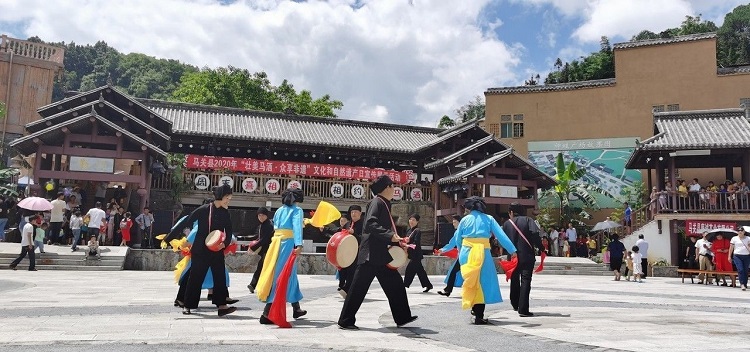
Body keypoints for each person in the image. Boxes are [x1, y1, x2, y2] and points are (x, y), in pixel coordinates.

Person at [338, 175, 417, 330]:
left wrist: (396, 240)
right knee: (357, 290)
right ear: (386, 188)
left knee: (396, 285)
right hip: (370, 255)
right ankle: (345, 320)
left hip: (379, 255)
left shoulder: (384, 203)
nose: (394, 189)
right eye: (392, 186)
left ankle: (402, 317)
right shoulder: (377, 202)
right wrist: (389, 235)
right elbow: (370, 224)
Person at [168, 185, 235, 316]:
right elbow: (187, 221)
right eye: (227, 198)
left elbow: (229, 230)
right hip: (201, 250)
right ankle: (187, 305)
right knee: (195, 278)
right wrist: (169, 237)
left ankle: (222, 306)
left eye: (230, 198)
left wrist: (225, 243)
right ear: (221, 196)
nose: (228, 201)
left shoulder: (225, 212)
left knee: (220, 276)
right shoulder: (203, 210)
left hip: (216, 249)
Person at [256, 188, 307, 324]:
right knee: (283, 275)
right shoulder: (297, 210)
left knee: (289, 273)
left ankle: (296, 308)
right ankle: (267, 312)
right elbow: (296, 227)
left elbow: (278, 227)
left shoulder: (279, 210)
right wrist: (299, 244)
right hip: (288, 243)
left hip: (276, 243)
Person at [502, 202, 540, 318]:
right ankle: (523, 309)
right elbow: (535, 234)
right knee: (526, 280)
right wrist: (541, 248)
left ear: (511, 212)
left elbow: (502, 240)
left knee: (514, 279)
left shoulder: (507, 224)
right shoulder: (529, 220)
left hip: (512, 256)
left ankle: (515, 304)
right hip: (527, 255)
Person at [338, 205, 363, 297]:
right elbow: (338, 232)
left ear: (360, 213)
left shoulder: (364, 225)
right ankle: (344, 286)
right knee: (344, 269)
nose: (354, 214)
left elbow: (363, 238)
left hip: (358, 252)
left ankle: (347, 289)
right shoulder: (347, 224)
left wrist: (354, 233)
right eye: (352, 212)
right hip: (347, 251)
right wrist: (324, 230)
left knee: (352, 271)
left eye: (356, 212)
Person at [403, 214, 432, 292]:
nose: (411, 221)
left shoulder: (417, 231)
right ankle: (428, 285)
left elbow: (416, 243)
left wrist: (408, 245)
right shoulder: (409, 230)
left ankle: (404, 285)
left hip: (416, 255)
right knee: (420, 271)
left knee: (409, 269)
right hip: (411, 254)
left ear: (417, 222)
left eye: (413, 220)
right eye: (410, 219)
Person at [247, 207, 274, 294]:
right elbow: (259, 238)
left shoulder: (268, 225)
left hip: (269, 250)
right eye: (259, 215)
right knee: (261, 267)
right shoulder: (263, 224)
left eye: (262, 215)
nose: (261, 217)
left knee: (263, 268)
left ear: (266, 215)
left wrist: (253, 247)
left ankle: (256, 285)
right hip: (265, 250)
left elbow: (264, 239)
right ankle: (253, 285)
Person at [437, 215, 463, 297]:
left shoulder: (464, 232)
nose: (453, 224)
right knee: (454, 272)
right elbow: (451, 243)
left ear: (460, 223)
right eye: (453, 222)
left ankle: (448, 290)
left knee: (455, 272)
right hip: (462, 256)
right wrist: (443, 249)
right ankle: (448, 290)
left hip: (465, 255)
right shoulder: (457, 232)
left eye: (455, 222)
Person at [729, 226, 750, 291]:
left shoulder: (748, 238)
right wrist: (729, 256)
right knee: (740, 269)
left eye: (741, 231)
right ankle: (742, 284)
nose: (740, 232)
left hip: (746, 256)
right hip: (737, 256)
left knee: (745, 270)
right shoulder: (734, 238)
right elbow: (731, 248)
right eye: (739, 231)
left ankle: (745, 283)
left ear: (744, 232)